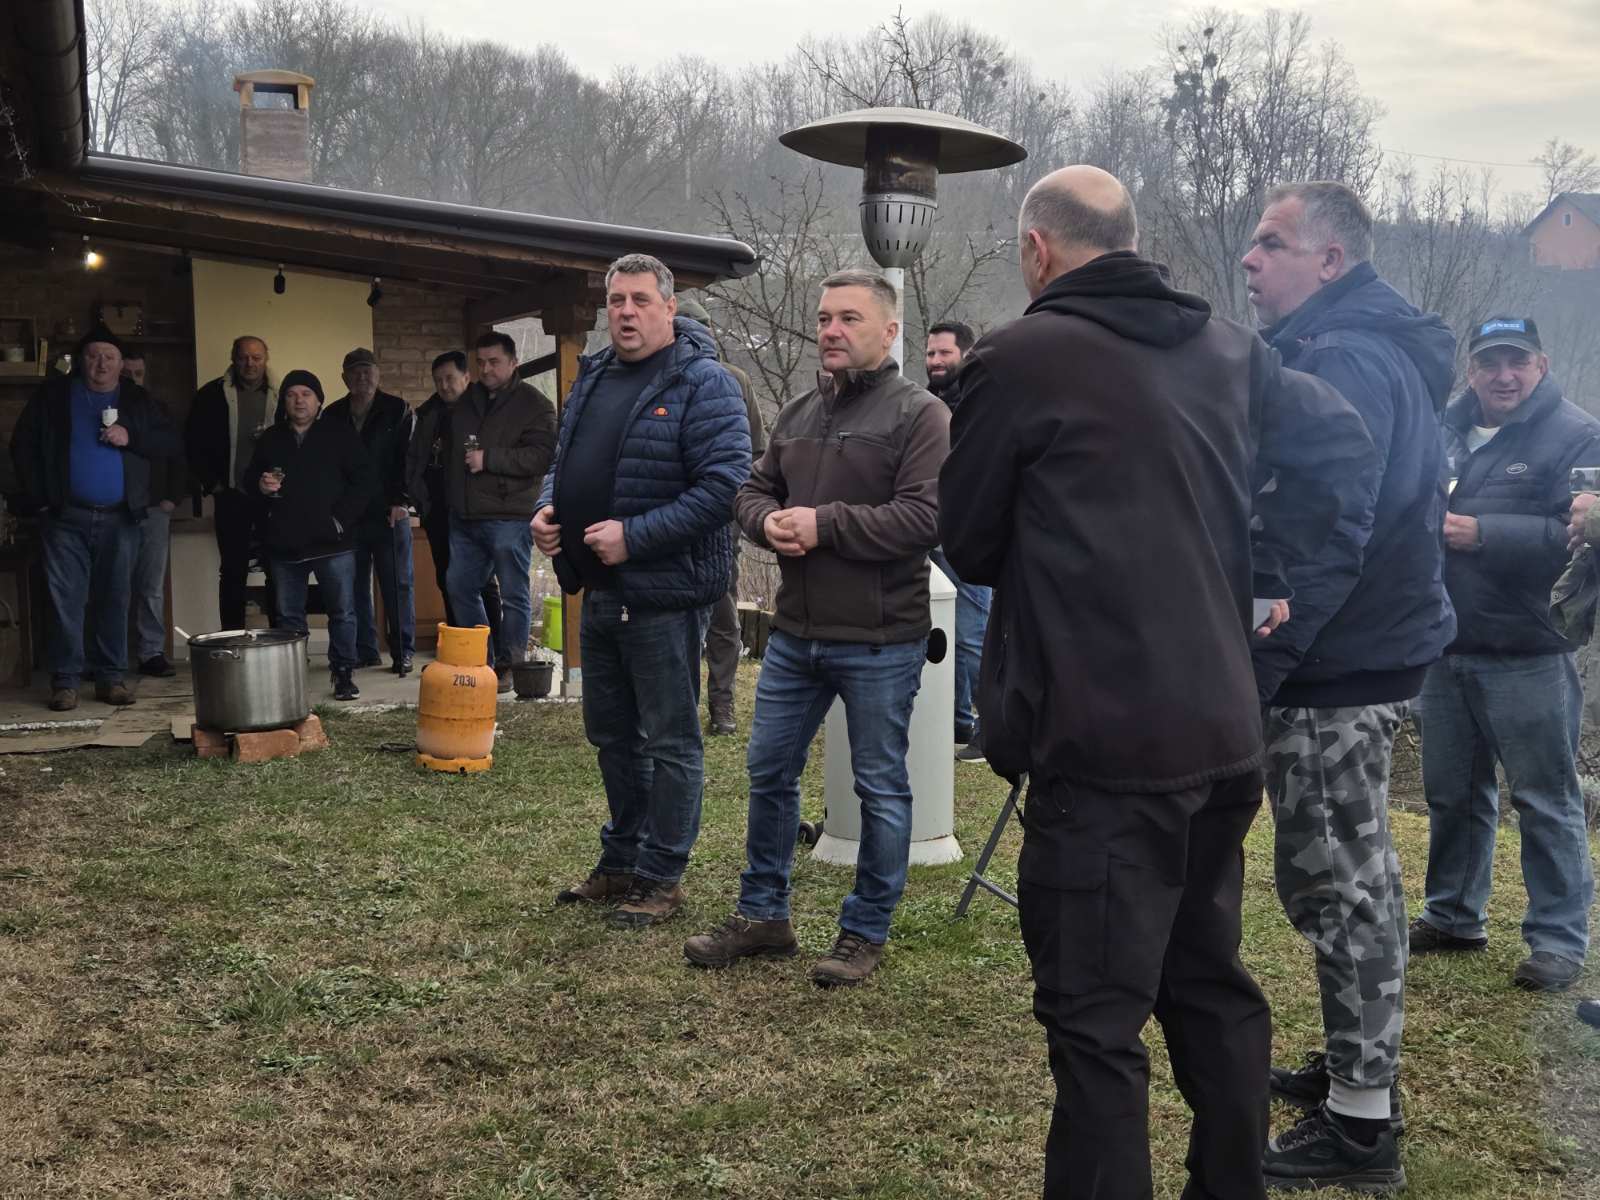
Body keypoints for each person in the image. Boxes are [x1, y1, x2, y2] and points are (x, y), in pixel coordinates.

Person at [936, 166, 1374, 1200]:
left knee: (1094, 1020)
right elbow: (1345, 446)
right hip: (1219, 730)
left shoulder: (1018, 359)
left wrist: (1260, 566)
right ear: (1131, 241)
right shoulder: (1230, 348)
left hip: (1101, 747)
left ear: (1037, 249)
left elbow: (971, 540)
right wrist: (1267, 569)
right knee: (1205, 982)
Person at [1241, 180, 1458, 1191]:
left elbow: (1331, 526)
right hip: (1362, 648)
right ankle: (1354, 1065)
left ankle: (1362, 1126)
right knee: (1357, 877)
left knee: (1338, 886)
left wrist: (1269, 660)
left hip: (1337, 661)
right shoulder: (1361, 344)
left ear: (1330, 261)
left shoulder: (1344, 357)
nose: (1250, 260)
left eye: (1271, 243)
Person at [682, 268, 950, 987]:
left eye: (849, 319)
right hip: (797, 634)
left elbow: (925, 518)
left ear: (889, 331)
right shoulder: (799, 412)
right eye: (825, 318)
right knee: (768, 770)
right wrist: (766, 521)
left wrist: (823, 524)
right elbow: (751, 488)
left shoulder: (921, 415)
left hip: (880, 637)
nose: (831, 330)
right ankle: (763, 915)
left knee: (879, 787)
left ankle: (864, 931)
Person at [538, 254, 751, 929]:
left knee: (669, 740)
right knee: (611, 736)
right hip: (598, 589)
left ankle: (662, 876)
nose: (625, 312)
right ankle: (621, 859)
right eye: (616, 300)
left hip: (663, 594)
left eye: (639, 300)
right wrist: (548, 510)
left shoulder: (704, 382)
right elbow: (563, 462)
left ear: (669, 307)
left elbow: (725, 487)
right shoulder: (595, 374)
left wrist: (635, 536)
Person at [1412, 317, 1600, 994]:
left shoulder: (1576, 435)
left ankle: (1557, 940)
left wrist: (1484, 533)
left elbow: (1582, 537)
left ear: (1540, 366)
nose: (1503, 375)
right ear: (1472, 371)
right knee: (1453, 794)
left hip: (1528, 649)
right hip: (1444, 643)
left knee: (1545, 798)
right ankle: (1453, 915)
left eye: (1517, 361)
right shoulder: (1443, 429)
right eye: (1490, 362)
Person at [11, 326, 181, 711]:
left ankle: (110, 678)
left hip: (121, 517)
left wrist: (130, 436)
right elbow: (22, 446)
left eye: (109, 357)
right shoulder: (53, 396)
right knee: (65, 600)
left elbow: (169, 443)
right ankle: (66, 681)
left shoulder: (138, 399)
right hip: (65, 517)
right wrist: (41, 500)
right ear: (79, 361)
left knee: (115, 598)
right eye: (93, 355)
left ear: (121, 364)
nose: (101, 364)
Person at [244, 370, 376, 702]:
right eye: (291, 395)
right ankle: (292, 678)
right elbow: (250, 481)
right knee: (289, 615)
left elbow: (364, 481)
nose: (299, 400)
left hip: (334, 542)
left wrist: (340, 521)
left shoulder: (339, 434)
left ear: (319, 401)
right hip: (285, 542)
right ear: (284, 402)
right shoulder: (271, 438)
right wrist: (260, 486)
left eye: (306, 394)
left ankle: (343, 673)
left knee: (342, 611)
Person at [676, 296, 766, 737]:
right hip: (669, 516)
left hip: (721, 517)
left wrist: (742, 504)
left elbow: (757, 451)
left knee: (723, 609)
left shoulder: (735, 380)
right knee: (675, 614)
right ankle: (680, 703)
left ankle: (722, 702)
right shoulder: (655, 378)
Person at [445, 331, 556, 689]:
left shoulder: (535, 405)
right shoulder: (467, 401)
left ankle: (512, 667)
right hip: (466, 515)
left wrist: (489, 459)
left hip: (510, 515)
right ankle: (481, 662)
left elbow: (541, 457)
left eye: (494, 362)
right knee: (459, 586)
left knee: (513, 594)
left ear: (513, 363)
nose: (486, 369)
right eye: (480, 362)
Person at [323, 348, 417, 676]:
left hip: (389, 512)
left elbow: (408, 459)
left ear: (378, 375)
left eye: (368, 371)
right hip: (349, 516)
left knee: (397, 584)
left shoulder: (397, 410)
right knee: (354, 587)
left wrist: (402, 501)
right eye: (355, 372)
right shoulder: (332, 415)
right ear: (344, 378)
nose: (362, 377)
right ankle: (366, 650)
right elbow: (328, 466)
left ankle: (403, 652)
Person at [922, 320, 991, 764]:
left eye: (944, 353)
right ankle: (958, 721)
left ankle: (991, 728)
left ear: (965, 354)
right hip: (932, 528)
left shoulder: (981, 402)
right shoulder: (926, 404)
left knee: (972, 634)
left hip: (971, 531)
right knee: (941, 631)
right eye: (931, 353)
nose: (935, 361)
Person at [406, 350, 502, 643]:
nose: (444, 386)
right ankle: (460, 645)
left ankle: (493, 649)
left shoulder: (486, 410)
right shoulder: (428, 414)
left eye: (449, 378)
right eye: (438, 380)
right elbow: (415, 460)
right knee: (446, 579)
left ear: (466, 377)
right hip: (437, 510)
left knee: (481, 581)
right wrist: (419, 498)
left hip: (475, 510)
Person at [186, 335, 278, 629]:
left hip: (272, 499)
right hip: (231, 495)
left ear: (266, 359)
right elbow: (192, 443)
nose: (250, 363)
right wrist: (212, 484)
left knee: (277, 569)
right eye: (243, 357)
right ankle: (232, 638)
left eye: (256, 357)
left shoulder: (282, 395)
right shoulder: (211, 394)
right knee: (233, 572)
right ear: (233, 359)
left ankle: (281, 637)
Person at [120, 348, 185, 679]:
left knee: (151, 585)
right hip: (114, 510)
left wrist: (172, 498)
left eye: (138, 374)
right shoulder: (104, 410)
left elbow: (178, 455)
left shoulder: (159, 410)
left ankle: (151, 652)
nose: (132, 380)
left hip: (154, 507)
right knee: (110, 584)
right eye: (126, 374)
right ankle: (108, 656)